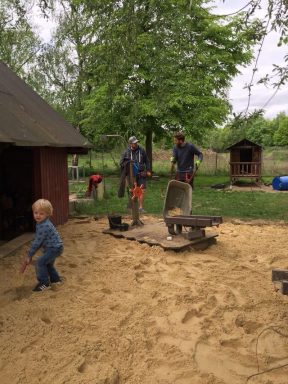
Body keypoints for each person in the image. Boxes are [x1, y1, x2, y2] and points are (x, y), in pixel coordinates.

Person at [25, 199, 63, 292]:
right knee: (48, 264)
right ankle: (55, 279)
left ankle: (44, 283)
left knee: (39, 263)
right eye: (36, 212)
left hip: (53, 248)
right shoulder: (41, 223)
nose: (38, 215)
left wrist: (30, 255)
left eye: (41, 213)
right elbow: (39, 240)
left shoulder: (44, 226)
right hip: (55, 247)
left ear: (47, 214)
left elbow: (37, 242)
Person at [119, 136, 151, 212]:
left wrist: (148, 170)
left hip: (141, 173)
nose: (136, 144)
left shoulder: (142, 150)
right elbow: (121, 163)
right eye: (134, 143)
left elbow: (147, 161)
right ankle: (132, 206)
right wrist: (128, 163)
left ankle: (140, 207)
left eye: (136, 142)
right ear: (130, 143)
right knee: (132, 190)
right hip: (131, 175)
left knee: (142, 190)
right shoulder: (126, 152)